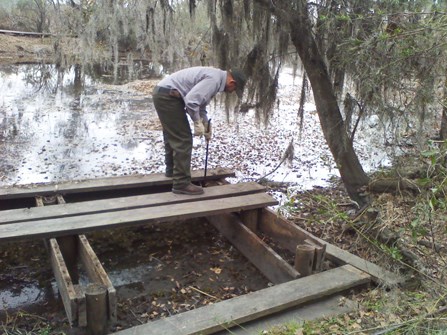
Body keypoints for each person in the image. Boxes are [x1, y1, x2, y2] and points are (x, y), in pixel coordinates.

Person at [152, 66, 247, 195]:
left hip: (164, 93)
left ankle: (172, 172)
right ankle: (181, 183)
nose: (231, 92)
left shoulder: (216, 78)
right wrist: (197, 122)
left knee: (172, 134)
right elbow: (191, 101)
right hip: (168, 96)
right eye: (234, 90)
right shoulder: (214, 80)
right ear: (232, 82)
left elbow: (200, 105)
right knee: (183, 138)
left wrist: (206, 124)